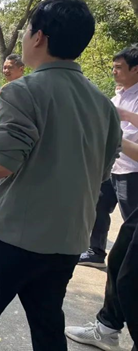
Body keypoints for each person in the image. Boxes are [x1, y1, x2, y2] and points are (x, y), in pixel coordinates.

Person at [0, 0, 121, 351]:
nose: (24, 38)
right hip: (67, 241)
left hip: (9, 238)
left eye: (26, 30)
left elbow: (1, 162)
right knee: (48, 325)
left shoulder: (21, 91)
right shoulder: (104, 105)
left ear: (39, 37)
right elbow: (102, 172)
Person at [65, 128, 138, 351]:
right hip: (119, 170)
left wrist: (114, 133)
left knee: (131, 277)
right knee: (120, 259)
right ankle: (107, 328)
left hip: (131, 174)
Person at [79, 45, 138, 269]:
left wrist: (125, 117)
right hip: (111, 167)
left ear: (135, 69)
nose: (114, 71)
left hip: (132, 171)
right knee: (98, 207)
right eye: (113, 67)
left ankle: (131, 263)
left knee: (132, 219)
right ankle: (95, 251)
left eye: (119, 67)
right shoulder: (117, 96)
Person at [0, 54, 25, 124]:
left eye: (10, 68)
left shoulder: (29, 89)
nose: (6, 71)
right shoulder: (2, 90)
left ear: (21, 69)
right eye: (4, 68)